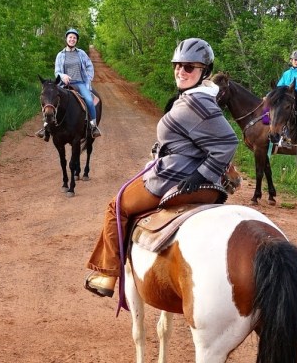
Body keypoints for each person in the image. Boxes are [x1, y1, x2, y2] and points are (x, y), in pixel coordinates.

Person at [84, 38, 238, 297]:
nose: (181, 71)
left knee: (116, 207)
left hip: (175, 176)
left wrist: (201, 174)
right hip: (202, 182)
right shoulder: (197, 97)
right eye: (177, 65)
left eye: (190, 67)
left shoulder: (196, 102)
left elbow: (228, 142)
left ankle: (106, 274)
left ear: (205, 72)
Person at [37, 28, 101, 139]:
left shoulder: (81, 53)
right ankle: (46, 126)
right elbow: (57, 71)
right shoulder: (60, 55)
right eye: (70, 37)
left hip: (80, 83)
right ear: (66, 39)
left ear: (77, 40)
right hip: (64, 84)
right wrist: (63, 76)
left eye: (74, 38)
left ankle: (93, 126)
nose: (72, 39)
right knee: (50, 98)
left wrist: (89, 78)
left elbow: (89, 66)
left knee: (90, 101)